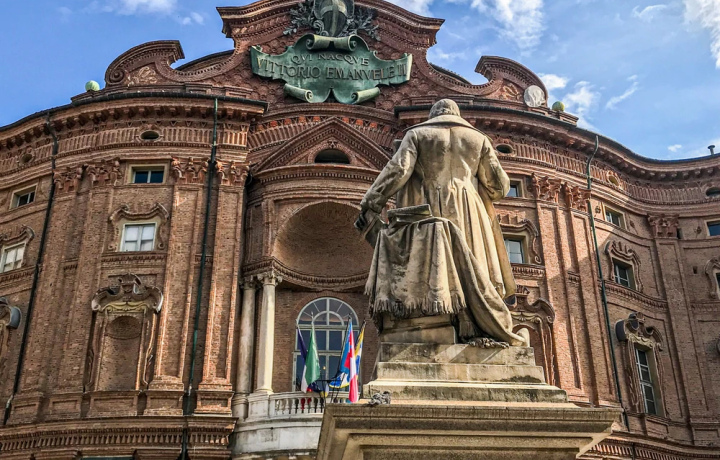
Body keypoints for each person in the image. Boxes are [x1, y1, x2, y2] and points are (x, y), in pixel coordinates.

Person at [356, 99, 524, 347]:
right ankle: (477, 323)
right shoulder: (478, 139)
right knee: (474, 267)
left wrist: (372, 200)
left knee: (437, 267)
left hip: (430, 204)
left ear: (433, 114)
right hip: (470, 209)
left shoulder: (418, 134)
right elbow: (499, 186)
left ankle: (439, 323)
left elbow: (399, 170)